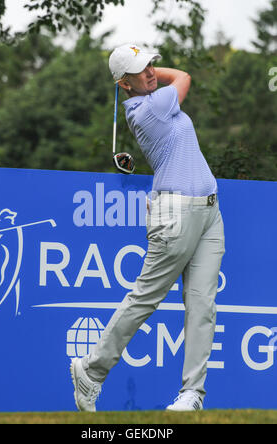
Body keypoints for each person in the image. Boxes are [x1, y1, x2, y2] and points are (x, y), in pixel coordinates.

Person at [70, 44, 225, 412]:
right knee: (145, 298)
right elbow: (184, 77)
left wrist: (143, 68)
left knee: (202, 304)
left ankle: (192, 395)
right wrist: (146, 73)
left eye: (151, 64)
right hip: (175, 214)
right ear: (123, 85)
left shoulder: (154, 98)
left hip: (209, 212)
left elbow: (166, 79)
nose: (152, 72)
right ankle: (91, 371)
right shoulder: (148, 108)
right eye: (141, 70)